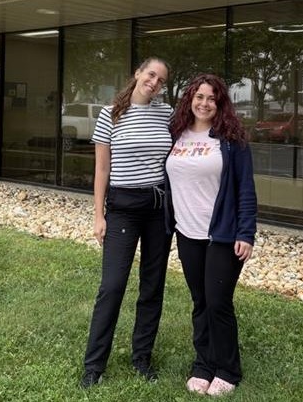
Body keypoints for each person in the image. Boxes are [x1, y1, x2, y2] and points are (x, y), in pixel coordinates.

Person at [81, 57, 174, 388]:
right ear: (137, 73)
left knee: (152, 285)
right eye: (151, 74)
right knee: (112, 286)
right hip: (122, 208)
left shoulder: (167, 114)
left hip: (158, 209)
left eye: (161, 80)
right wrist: (98, 215)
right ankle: (94, 366)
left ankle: (141, 358)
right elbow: (102, 169)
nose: (154, 82)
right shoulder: (110, 114)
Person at [165, 73, 257, 396]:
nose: (204, 104)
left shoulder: (232, 140)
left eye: (211, 99)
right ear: (190, 99)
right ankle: (203, 364)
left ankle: (228, 369)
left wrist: (246, 233)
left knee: (218, 302)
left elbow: (246, 189)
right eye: (199, 97)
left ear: (220, 104)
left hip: (223, 234)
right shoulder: (176, 133)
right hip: (187, 233)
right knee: (200, 301)